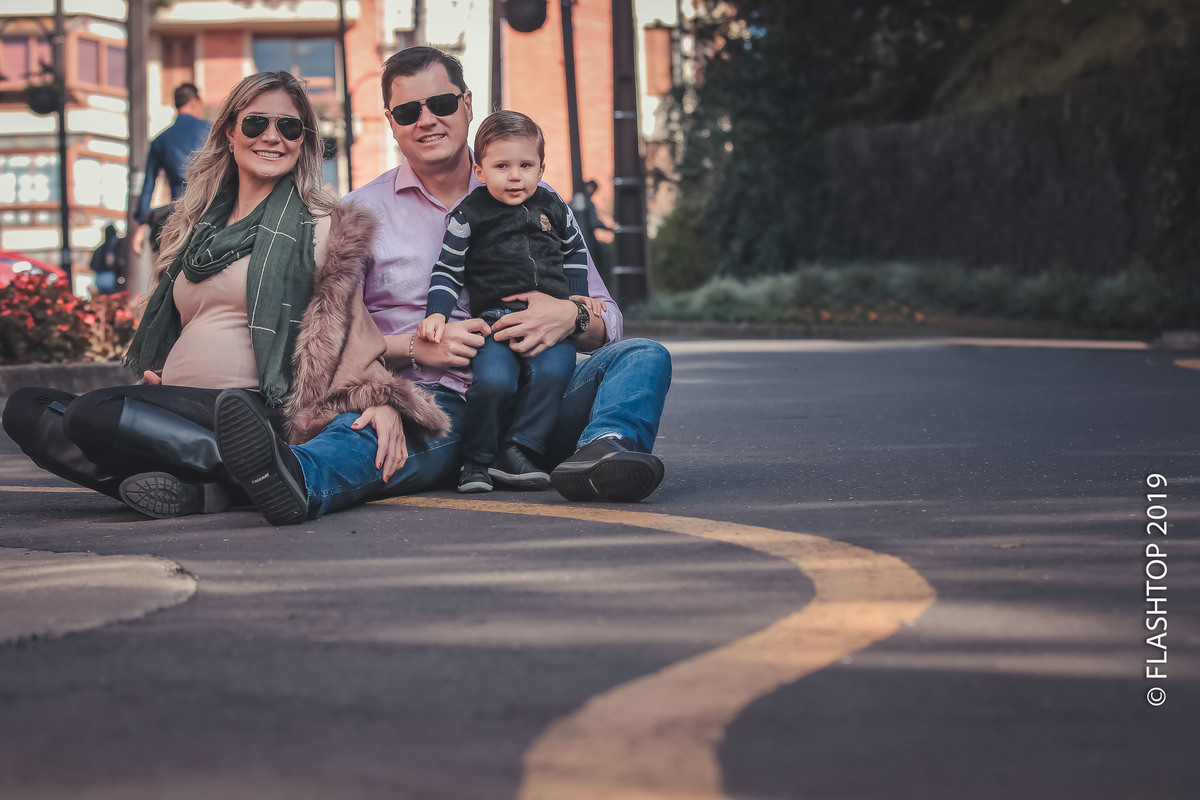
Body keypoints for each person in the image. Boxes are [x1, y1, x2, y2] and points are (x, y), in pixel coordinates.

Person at [210, 45, 671, 526]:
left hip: (539, 399)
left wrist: (569, 316)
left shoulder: (535, 196)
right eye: (409, 112)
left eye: (442, 104)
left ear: (468, 104)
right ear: (392, 122)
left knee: (642, 356)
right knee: (367, 432)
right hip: (435, 403)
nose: (427, 120)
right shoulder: (357, 215)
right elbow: (331, 342)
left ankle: (601, 454)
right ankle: (293, 479)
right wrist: (411, 351)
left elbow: (606, 318)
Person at [2, 71, 448, 523]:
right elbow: (185, 324)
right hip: (182, 401)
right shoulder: (194, 229)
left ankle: (269, 465)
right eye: (256, 124)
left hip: (255, 408)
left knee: (92, 414)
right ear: (230, 132)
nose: (271, 137)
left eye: (288, 127)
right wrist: (159, 372)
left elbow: (351, 327)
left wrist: (379, 398)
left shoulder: (321, 225)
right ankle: (214, 487)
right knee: (26, 408)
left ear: (303, 141)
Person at [417, 110, 607, 494]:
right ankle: (475, 462)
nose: (515, 176)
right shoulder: (469, 214)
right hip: (495, 323)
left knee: (555, 373)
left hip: (550, 322)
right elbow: (447, 270)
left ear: (540, 169)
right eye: (502, 166)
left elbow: (574, 252)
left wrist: (576, 298)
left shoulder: (553, 205)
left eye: (526, 165)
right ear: (481, 170)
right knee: (493, 382)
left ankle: (518, 449)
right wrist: (436, 314)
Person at [131, 83, 211, 256]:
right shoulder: (211, 130)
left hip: (178, 215)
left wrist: (142, 224)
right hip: (209, 207)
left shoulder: (161, 139)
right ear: (196, 102)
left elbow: (148, 184)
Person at [89, 224, 127, 295]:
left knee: (102, 300)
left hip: (99, 278)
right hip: (111, 277)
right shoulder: (115, 245)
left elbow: (92, 265)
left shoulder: (99, 248)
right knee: (113, 300)